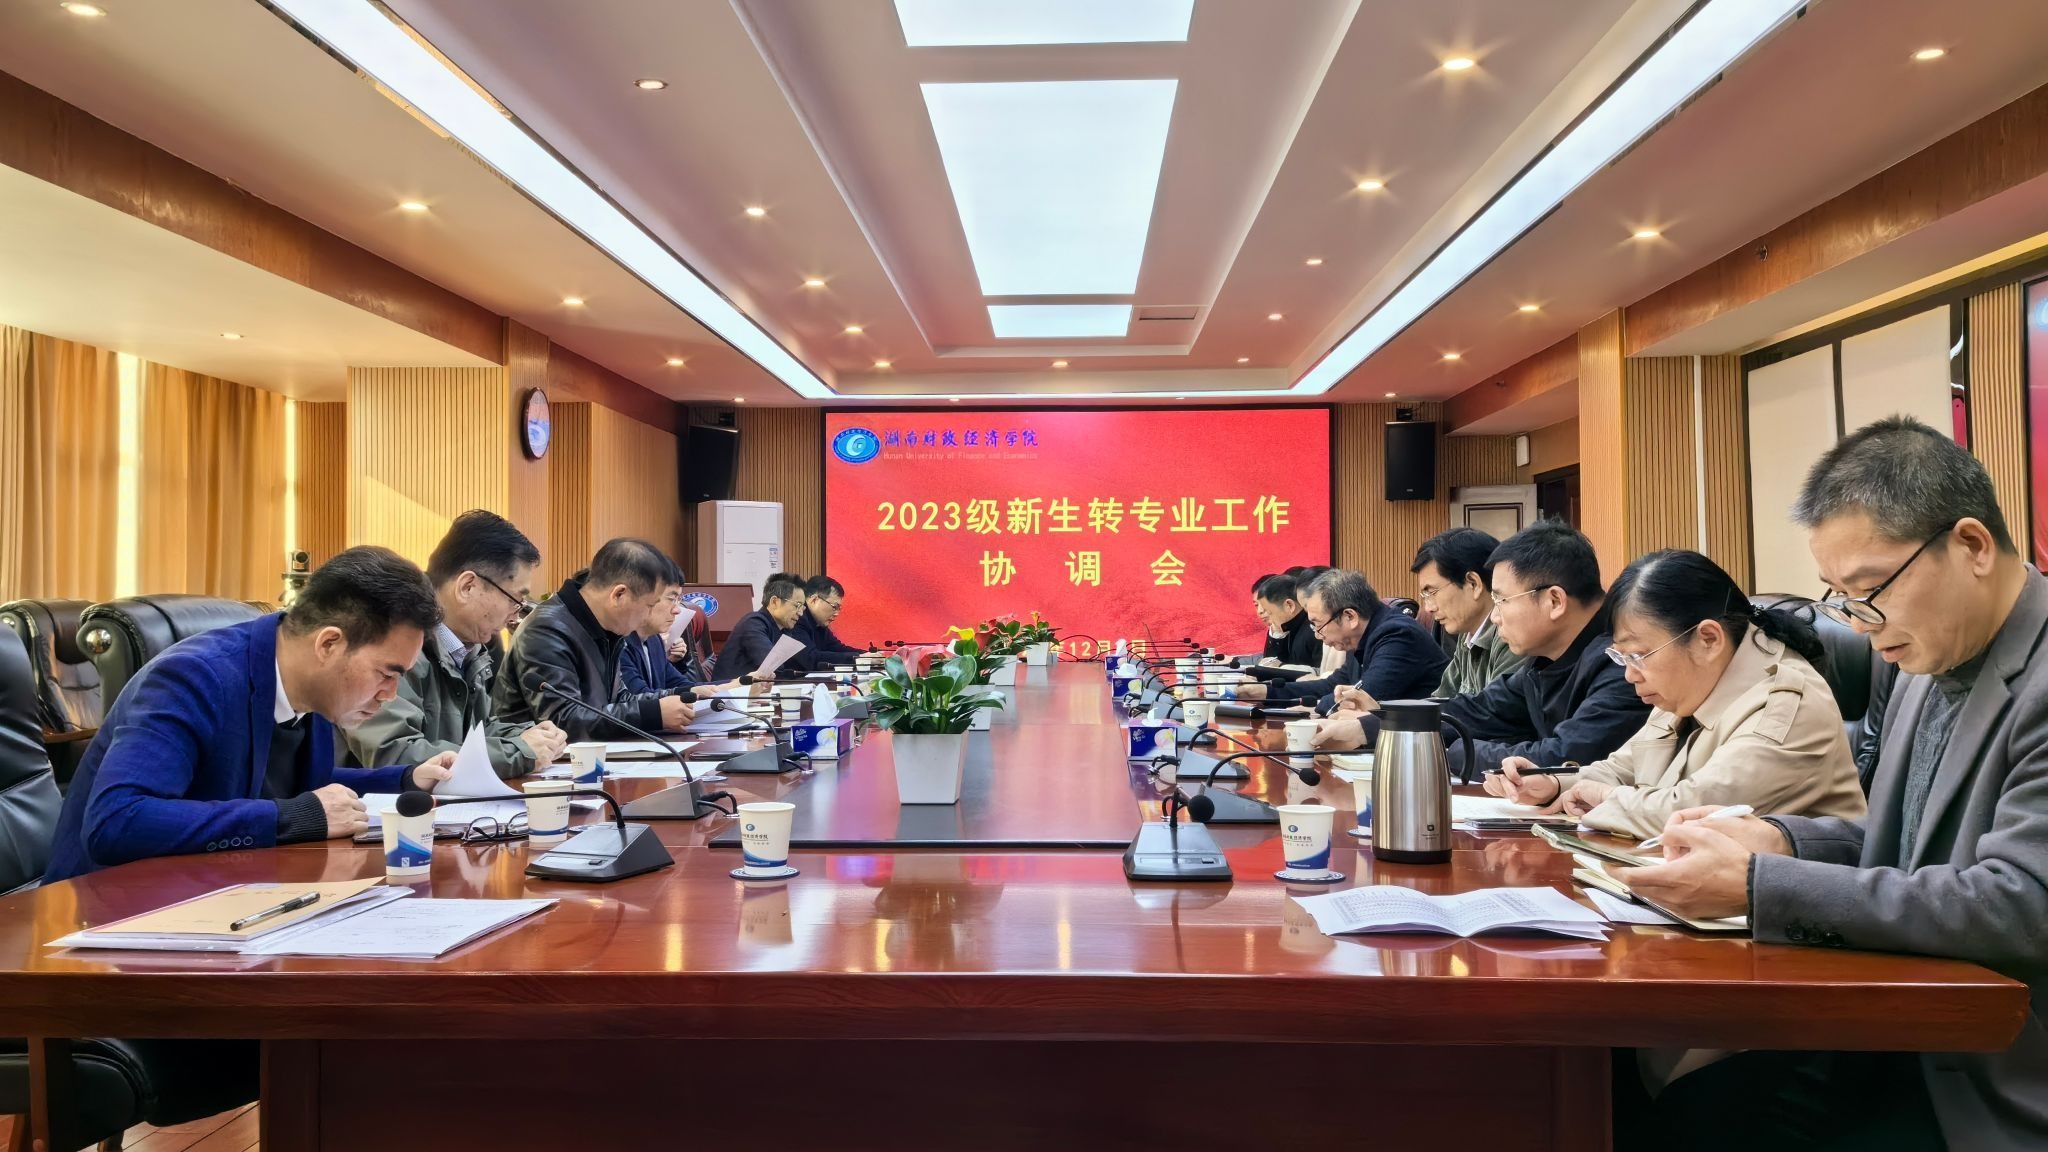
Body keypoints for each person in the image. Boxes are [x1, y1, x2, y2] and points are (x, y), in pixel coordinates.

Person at [1624, 417, 2048, 1151]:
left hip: (1994, 1067)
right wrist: (1778, 839)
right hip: (1890, 1027)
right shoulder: (1923, 661)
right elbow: (1904, 847)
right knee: (1656, 1103)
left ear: (1972, 546)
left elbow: (2019, 903)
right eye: (1841, 598)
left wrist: (1759, 884)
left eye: (1869, 590)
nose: (1860, 623)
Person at [43, 547, 457, 882]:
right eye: (386, 673)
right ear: (329, 644)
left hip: (224, 895)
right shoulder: (193, 677)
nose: (390, 694)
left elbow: (293, 785)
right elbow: (118, 821)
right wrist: (292, 817)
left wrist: (405, 779)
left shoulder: (307, 684)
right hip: (111, 918)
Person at [1482, 549, 1865, 840]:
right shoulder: (1689, 682)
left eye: (1638, 655)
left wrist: (1605, 798)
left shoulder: (1786, 703)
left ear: (1708, 639)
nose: (1629, 674)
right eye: (1622, 657)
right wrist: (1552, 784)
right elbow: (1622, 767)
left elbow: (1690, 811)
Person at [1311, 521, 1649, 771]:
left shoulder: (1623, 662)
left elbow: (1561, 758)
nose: (1495, 616)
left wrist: (1450, 753)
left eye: (1501, 600)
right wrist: (1366, 728)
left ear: (1555, 601)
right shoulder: (1543, 661)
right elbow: (1474, 710)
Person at [344, 510, 567, 780]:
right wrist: (518, 751)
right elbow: (395, 753)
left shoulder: (469, 649)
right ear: (467, 587)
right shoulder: (395, 642)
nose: (514, 615)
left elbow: (475, 734)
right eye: (514, 600)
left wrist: (529, 735)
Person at [496, 538, 696, 739]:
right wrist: (651, 714)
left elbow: (619, 700)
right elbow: (562, 720)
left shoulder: (606, 629)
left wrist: (679, 697)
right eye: (649, 606)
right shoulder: (547, 629)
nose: (647, 616)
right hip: (536, 757)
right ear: (619, 595)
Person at [1240, 570, 1446, 714]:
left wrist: (1316, 708)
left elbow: (1361, 696)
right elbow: (1332, 685)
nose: (1317, 635)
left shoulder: (1397, 635)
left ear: (1349, 616)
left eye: (1318, 625)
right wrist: (1268, 692)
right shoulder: (1362, 634)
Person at [1411, 528, 1527, 698]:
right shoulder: (1468, 633)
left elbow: (1494, 710)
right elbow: (1440, 701)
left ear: (1473, 584)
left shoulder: (1512, 635)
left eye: (1432, 592)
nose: (1428, 608)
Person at [712, 571, 808, 681]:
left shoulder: (783, 628)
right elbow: (772, 667)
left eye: (802, 607)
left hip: (756, 689)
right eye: (797, 606)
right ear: (774, 602)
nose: (800, 613)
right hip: (729, 690)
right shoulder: (753, 623)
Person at [790, 574, 863, 672]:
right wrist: (858, 658)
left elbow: (837, 648)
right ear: (814, 600)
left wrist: (868, 656)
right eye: (834, 607)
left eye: (839, 608)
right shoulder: (796, 619)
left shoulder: (819, 624)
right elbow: (812, 658)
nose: (837, 613)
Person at [1254, 573, 1321, 668]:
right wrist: (1276, 635)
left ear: (1289, 605)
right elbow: (1268, 665)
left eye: (1269, 611)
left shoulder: (1315, 630)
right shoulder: (1287, 627)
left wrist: (1282, 666)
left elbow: (1324, 673)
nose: (1261, 612)